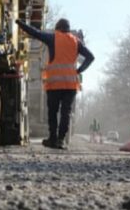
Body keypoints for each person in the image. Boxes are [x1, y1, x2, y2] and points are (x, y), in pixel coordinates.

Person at [16, 17, 94, 149]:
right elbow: (91, 57)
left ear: (57, 28)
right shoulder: (76, 42)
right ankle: (60, 140)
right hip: (70, 85)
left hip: (54, 85)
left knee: (52, 112)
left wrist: (19, 22)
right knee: (66, 113)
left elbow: (35, 32)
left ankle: (52, 139)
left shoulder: (53, 38)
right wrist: (79, 70)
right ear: (68, 29)